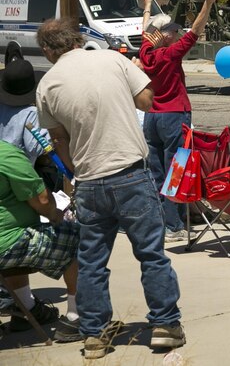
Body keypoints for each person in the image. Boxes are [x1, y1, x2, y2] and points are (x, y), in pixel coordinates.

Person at [35, 18, 185, 359]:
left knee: (91, 261)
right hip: (130, 172)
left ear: (47, 50)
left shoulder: (47, 85)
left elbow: (59, 140)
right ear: (76, 39)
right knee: (151, 254)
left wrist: (78, 170)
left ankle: (95, 335)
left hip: (90, 180)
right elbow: (147, 101)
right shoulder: (112, 59)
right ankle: (165, 326)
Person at [137, 0, 223, 241]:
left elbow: (145, 32)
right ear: (164, 36)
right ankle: (173, 225)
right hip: (174, 116)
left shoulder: (146, 52)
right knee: (175, 170)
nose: (177, 33)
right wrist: (208, 3)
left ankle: (161, 222)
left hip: (152, 117)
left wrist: (148, 7)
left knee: (156, 172)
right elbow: (196, 31)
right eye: (173, 31)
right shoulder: (170, 54)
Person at [0, 140, 80, 341]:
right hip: (7, 243)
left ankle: (26, 307)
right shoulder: (6, 155)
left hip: (9, 241)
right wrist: (56, 215)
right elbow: (42, 200)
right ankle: (78, 316)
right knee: (81, 238)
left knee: (21, 237)